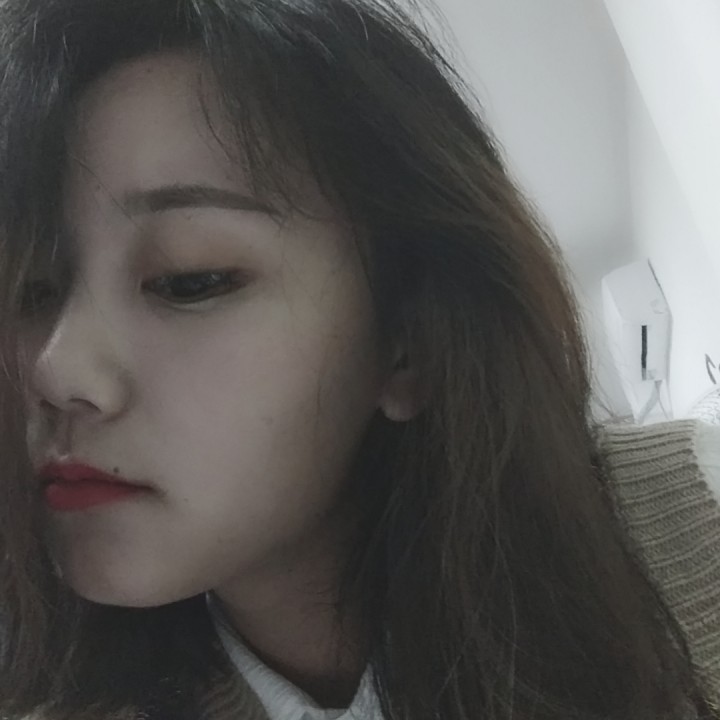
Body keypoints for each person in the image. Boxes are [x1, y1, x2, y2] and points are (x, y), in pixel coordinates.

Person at [0, 0, 717, 718]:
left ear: (407, 341)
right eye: (31, 291)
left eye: (191, 280)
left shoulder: (698, 520)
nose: (55, 370)